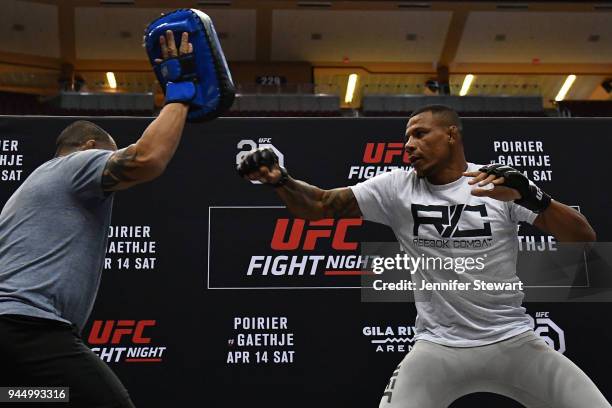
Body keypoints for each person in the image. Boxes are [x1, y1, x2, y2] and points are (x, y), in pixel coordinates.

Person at [237, 104, 611, 408]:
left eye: (420, 133)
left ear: (451, 134)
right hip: (437, 347)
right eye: (406, 138)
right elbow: (319, 205)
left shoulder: (495, 183)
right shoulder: (397, 187)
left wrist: (531, 196)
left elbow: (582, 236)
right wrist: (280, 181)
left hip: (512, 339)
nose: (409, 145)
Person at [0, 30, 192, 408]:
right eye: (108, 154)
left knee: (43, 399)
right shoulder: (75, 164)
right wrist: (179, 93)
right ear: (89, 147)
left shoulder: (32, 186)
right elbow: (146, 159)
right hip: (30, 329)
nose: (108, 165)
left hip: (11, 333)